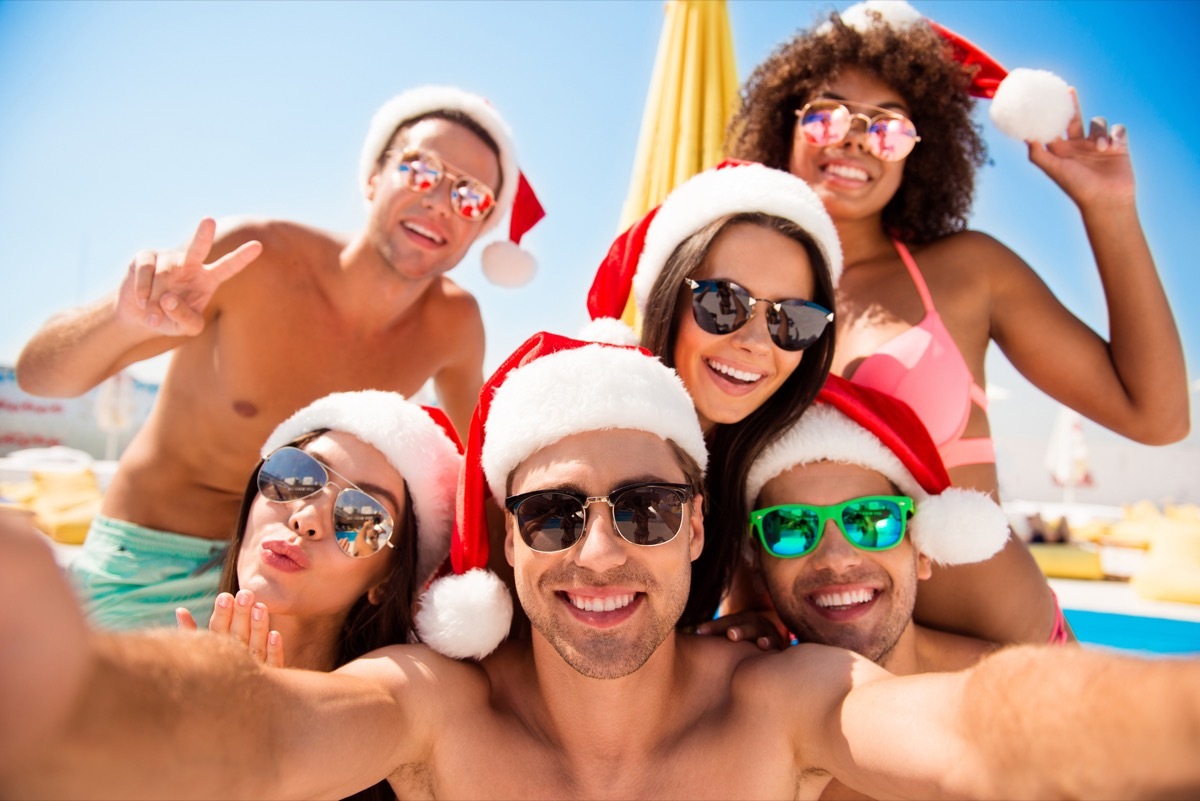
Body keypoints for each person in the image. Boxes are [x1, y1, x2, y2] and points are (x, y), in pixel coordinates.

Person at [6, 331, 1200, 801]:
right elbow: (267, 730)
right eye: (552, 515)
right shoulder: (442, 708)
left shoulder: (785, 700)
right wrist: (69, 699)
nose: (598, 551)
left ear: (695, 529)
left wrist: (1178, 715)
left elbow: (985, 726)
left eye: (642, 506)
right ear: (507, 546)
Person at [725, 0, 1189, 644]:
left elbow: (1157, 416)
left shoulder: (968, 272)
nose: (857, 138)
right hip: (822, 690)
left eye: (888, 128)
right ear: (786, 127)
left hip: (1010, 669)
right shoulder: (730, 300)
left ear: (920, 153)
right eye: (829, 115)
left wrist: (1107, 210)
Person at [14, 86, 543, 631]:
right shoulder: (255, 259)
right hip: (153, 565)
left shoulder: (452, 325)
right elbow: (38, 376)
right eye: (421, 170)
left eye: (470, 196)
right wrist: (120, 320)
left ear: (481, 228)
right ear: (372, 176)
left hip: (301, 593)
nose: (439, 201)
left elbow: (479, 478)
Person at [585, 160, 842, 626]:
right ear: (669, 297)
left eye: (794, 319)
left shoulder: (753, 468)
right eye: (724, 303)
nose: (757, 342)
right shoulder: (581, 431)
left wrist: (748, 621)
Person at [175, 389, 463, 674]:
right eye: (297, 476)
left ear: (386, 581)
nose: (307, 519)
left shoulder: (395, 708)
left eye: (360, 516)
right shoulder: (161, 689)